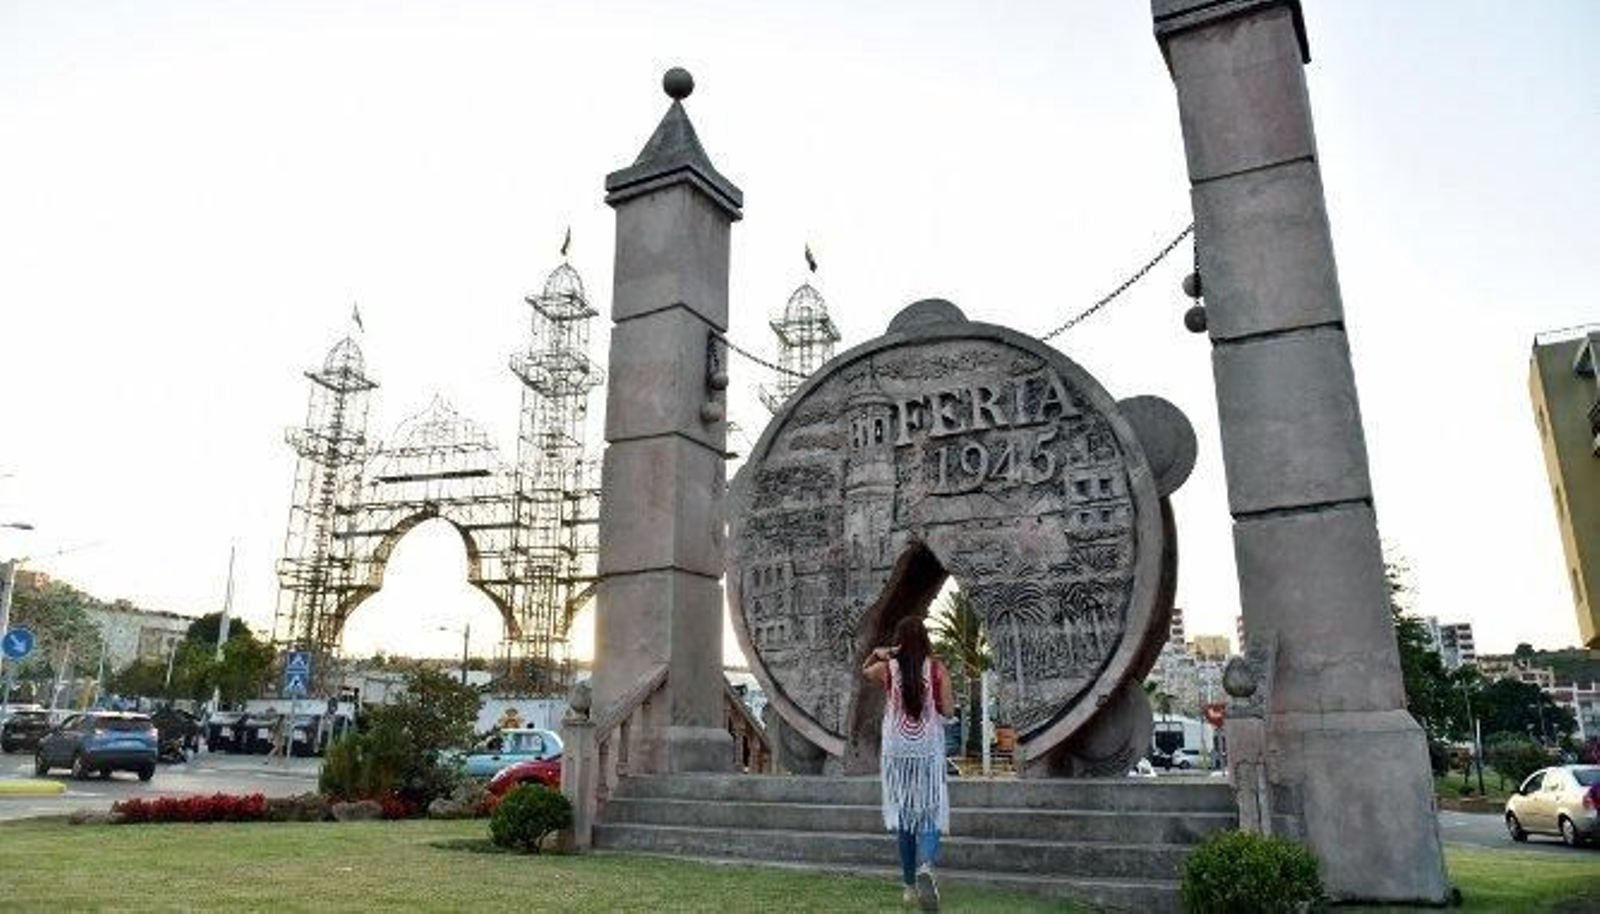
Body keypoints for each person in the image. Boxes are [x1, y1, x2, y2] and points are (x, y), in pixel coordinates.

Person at [862, 615, 955, 911]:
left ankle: (908, 887)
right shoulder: (938, 668)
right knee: (930, 809)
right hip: (927, 748)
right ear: (926, 639)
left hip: (896, 750)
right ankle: (926, 864)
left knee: (903, 815)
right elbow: (950, 710)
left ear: (900, 641)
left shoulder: (888, 668)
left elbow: (865, 671)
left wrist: (881, 653)